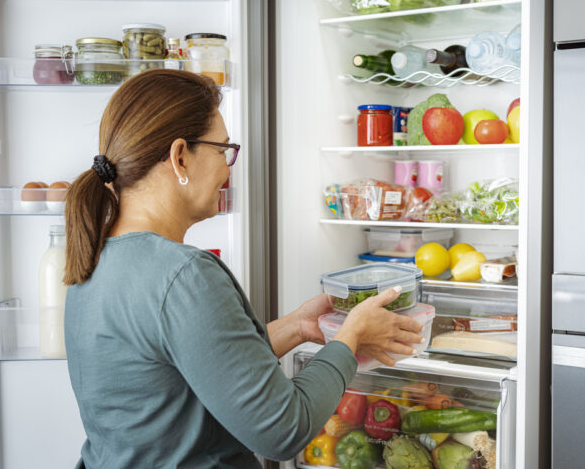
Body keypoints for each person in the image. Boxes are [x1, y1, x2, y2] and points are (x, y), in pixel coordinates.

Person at [62, 69, 424, 469]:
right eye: (222, 150)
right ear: (180, 156)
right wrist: (351, 338)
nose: (227, 169)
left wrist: (296, 328)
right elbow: (284, 430)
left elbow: (192, 370)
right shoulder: (183, 275)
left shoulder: (95, 257)